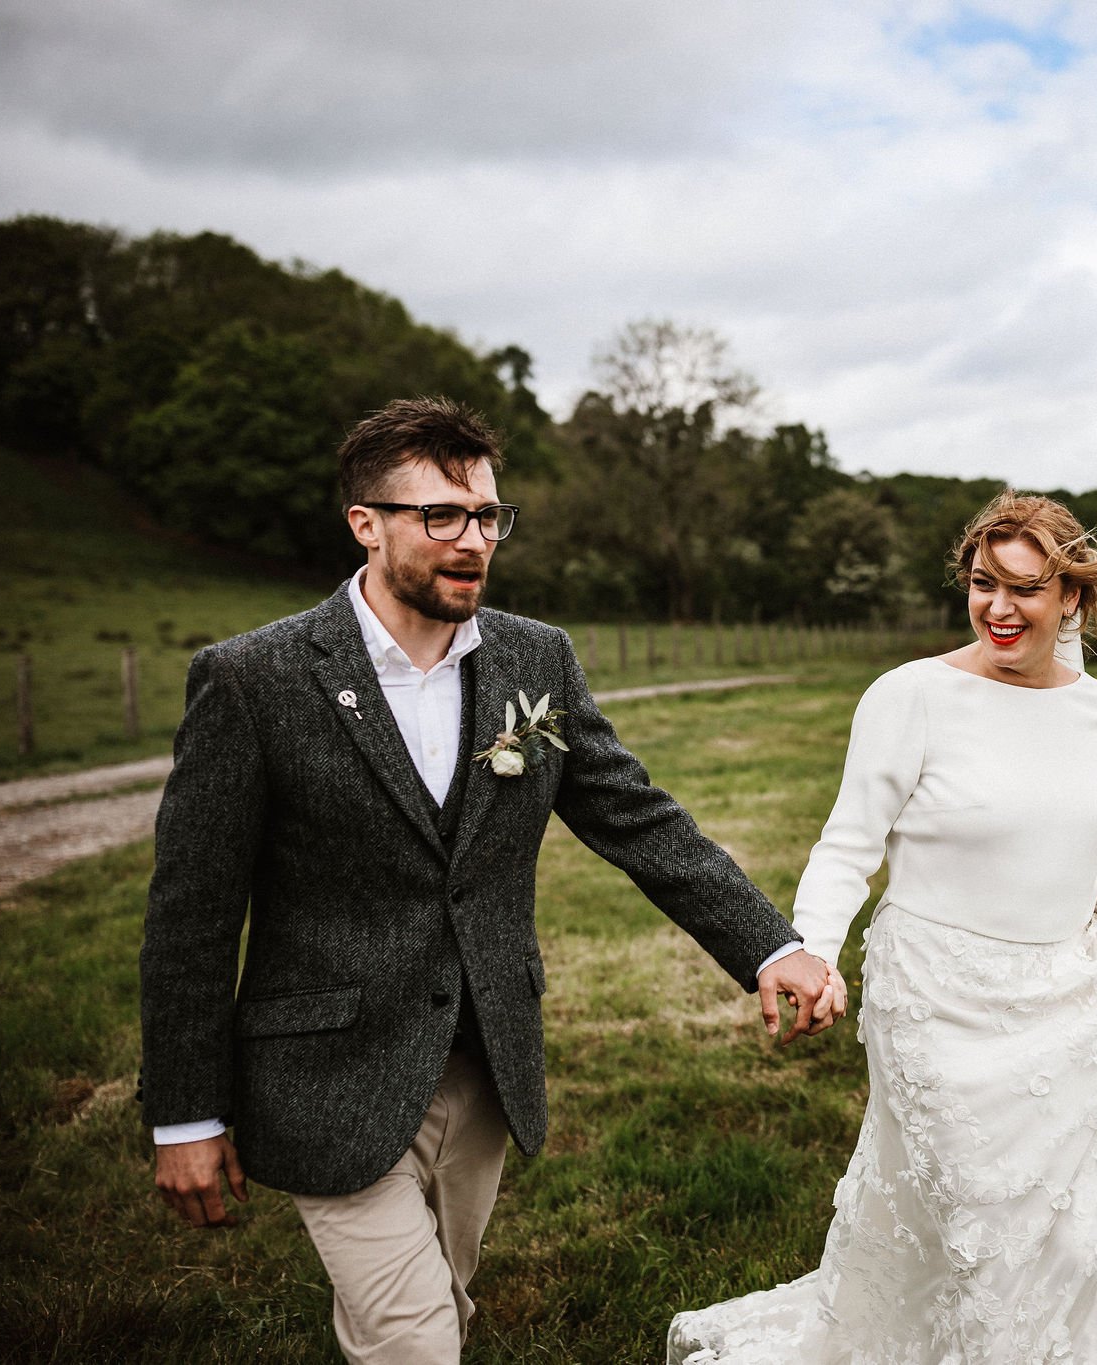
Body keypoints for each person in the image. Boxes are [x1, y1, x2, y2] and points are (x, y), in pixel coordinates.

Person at [140, 396, 842, 1364]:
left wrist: (770, 946)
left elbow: (637, 818)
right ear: (366, 526)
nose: (472, 540)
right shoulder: (253, 681)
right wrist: (185, 1112)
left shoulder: (534, 660)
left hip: (484, 1063)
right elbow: (191, 919)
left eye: (487, 517)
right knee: (420, 1341)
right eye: (440, 517)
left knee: (440, 1310)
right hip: (327, 1076)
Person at [668, 492, 1097, 1364]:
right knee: (985, 1219)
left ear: (1071, 599)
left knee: (1073, 1226)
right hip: (939, 999)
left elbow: (1076, 818)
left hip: (1066, 994)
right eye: (981, 583)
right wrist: (811, 947)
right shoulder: (910, 696)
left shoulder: (1093, 706)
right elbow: (849, 844)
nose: (999, 608)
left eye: (1025, 588)